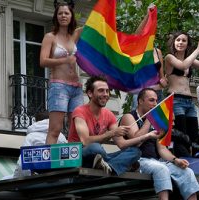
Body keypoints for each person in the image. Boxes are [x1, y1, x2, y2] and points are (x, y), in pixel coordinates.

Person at [120, 88, 199, 200]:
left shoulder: (158, 120)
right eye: (151, 100)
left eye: (156, 100)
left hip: (157, 161)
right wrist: (150, 119)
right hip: (137, 160)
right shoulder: (129, 117)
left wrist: (175, 160)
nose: (155, 104)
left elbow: (162, 149)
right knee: (161, 169)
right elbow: (136, 140)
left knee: (187, 172)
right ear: (140, 101)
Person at [68, 76, 141, 175]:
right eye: (101, 91)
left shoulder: (109, 114)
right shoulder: (79, 111)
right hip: (78, 155)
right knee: (96, 148)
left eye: (107, 91)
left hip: (99, 156)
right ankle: (112, 164)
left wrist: (145, 136)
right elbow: (85, 141)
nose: (105, 94)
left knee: (135, 152)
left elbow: (121, 144)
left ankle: (109, 166)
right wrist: (112, 133)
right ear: (90, 93)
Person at [40, 1, 84, 144]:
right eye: (60, 13)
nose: (63, 16)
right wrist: (65, 60)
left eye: (66, 13)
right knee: (55, 129)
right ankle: (48, 165)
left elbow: (97, 25)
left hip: (76, 88)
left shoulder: (76, 34)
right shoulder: (50, 37)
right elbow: (43, 61)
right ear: (55, 16)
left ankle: (74, 162)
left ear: (71, 16)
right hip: (59, 86)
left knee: (76, 130)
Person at [165, 31, 199, 157]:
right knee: (181, 134)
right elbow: (183, 65)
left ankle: (196, 163)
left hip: (189, 102)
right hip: (175, 100)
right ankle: (183, 159)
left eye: (184, 40)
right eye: (178, 40)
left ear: (187, 44)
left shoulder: (189, 59)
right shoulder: (169, 57)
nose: (180, 43)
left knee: (193, 134)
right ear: (173, 42)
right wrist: (198, 48)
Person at [131, 4, 168, 110]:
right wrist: (148, 15)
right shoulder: (138, 49)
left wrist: (163, 82)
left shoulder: (157, 51)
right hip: (140, 91)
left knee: (155, 123)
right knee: (138, 119)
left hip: (157, 93)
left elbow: (161, 77)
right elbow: (136, 34)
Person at [13, 111, 67, 178]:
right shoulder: (61, 137)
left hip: (36, 179)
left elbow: (23, 162)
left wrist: (18, 180)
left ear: (36, 121)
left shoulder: (31, 137)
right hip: (58, 178)